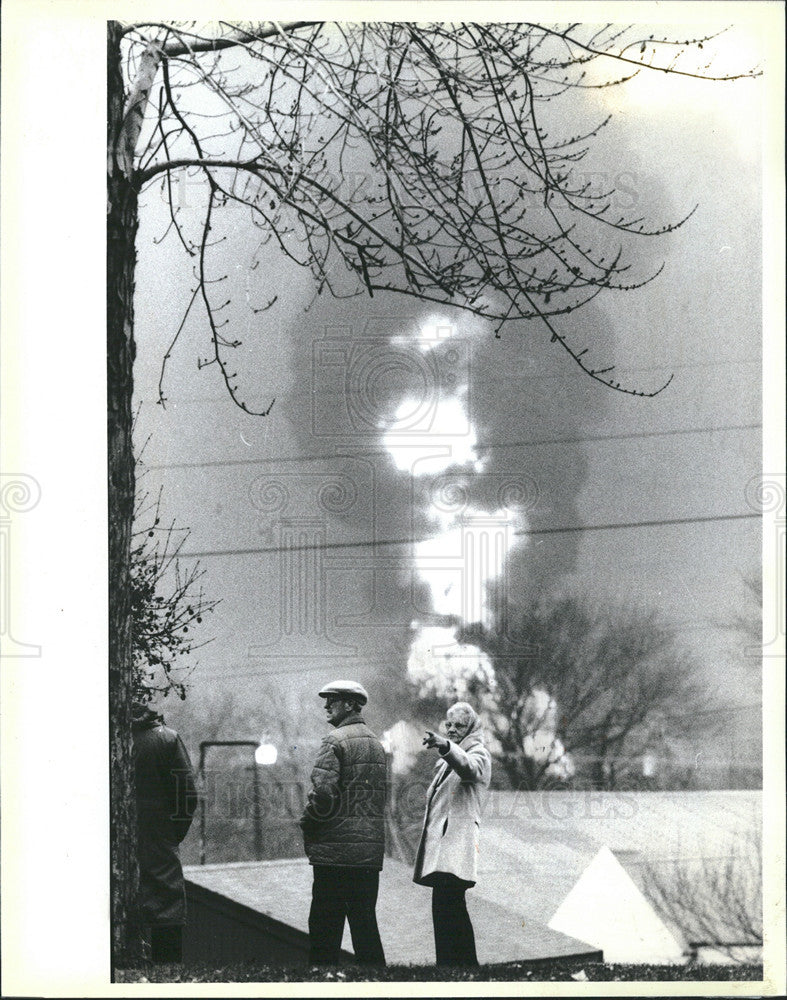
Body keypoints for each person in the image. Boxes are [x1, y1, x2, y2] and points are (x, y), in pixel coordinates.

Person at [300, 680, 387, 966]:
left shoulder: (334, 741)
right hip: (367, 856)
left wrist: (307, 822)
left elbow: (323, 795)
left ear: (350, 704)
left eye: (332, 700)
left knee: (325, 932)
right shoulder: (376, 744)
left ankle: (321, 990)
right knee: (365, 927)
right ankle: (380, 988)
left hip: (335, 855)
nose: (326, 705)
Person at [413, 701, 492, 966]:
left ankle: (459, 967)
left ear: (470, 728)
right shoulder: (448, 760)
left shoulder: (478, 754)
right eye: (449, 724)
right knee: (446, 906)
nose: (452, 729)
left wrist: (446, 747)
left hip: (456, 846)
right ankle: (454, 966)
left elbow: (468, 768)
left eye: (459, 725)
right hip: (445, 846)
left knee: (450, 906)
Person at [131, 700, 198, 963]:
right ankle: (167, 974)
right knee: (166, 904)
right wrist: (171, 833)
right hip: (158, 833)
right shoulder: (167, 739)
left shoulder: (106, 737)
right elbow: (186, 796)